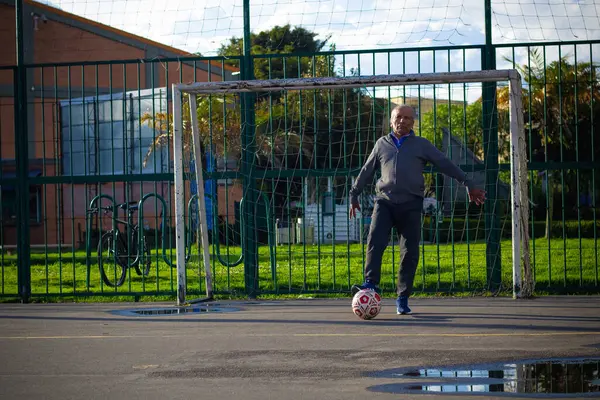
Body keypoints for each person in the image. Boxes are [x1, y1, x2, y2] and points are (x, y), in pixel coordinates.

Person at [349, 104, 486, 315]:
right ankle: (370, 285)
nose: (402, 121)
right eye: (398, 117)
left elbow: (445, 163)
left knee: (409, 252)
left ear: (413, 122)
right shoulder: (381, 144)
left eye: (407, 118)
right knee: (375, 240)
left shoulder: (421, 145)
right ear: (391, 120)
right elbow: (367, 170)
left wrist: (467, 182)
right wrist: (354, 194)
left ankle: (402, 297)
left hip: (411, 204)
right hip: (384, 201)